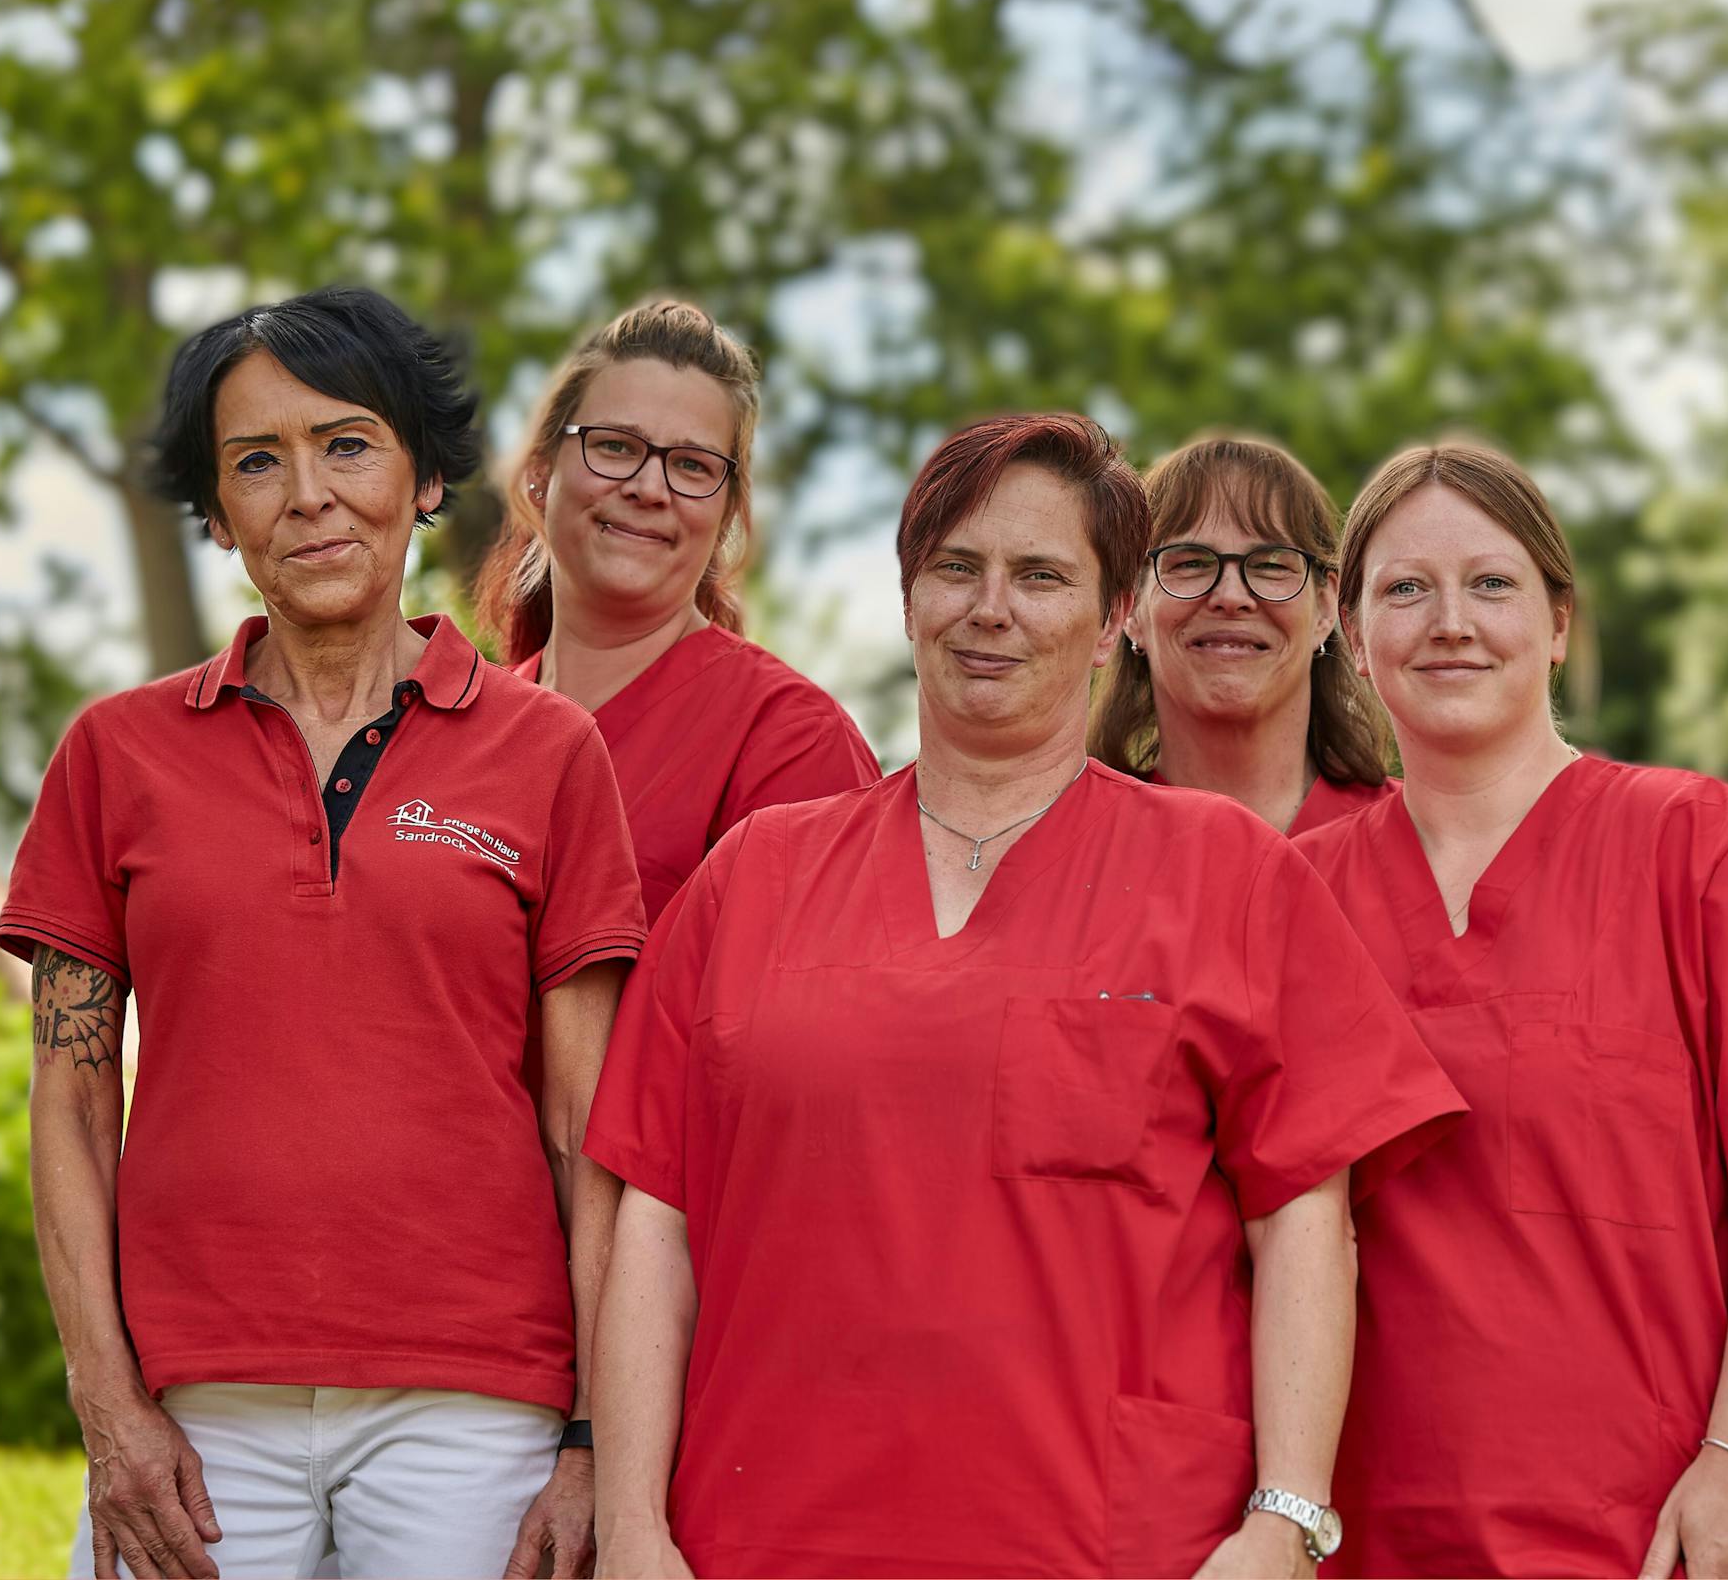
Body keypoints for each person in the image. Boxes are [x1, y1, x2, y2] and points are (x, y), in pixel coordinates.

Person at [584, 410, 1466, 1579]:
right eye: (957, 568)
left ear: (1113, 623)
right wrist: (637, 1527)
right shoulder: (755, 873)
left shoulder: (1225, 873)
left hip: (1113, 1544)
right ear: (909, 603)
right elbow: (657, 1217)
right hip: (763, 1538)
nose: (990, 608)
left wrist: (1284, 1521)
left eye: (1041, 576)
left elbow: (1305, 1213)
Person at [2, 285, 652, 1580]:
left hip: (474, 1407)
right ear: (216, 512)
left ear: (423, 478)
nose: (307, 493)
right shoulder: (114, 756)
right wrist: (109, 1408)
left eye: (347, 443)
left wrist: (591, 1439)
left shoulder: (550, 755)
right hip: (192, 1412)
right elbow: (72, 1104)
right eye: (258, 460)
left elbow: (591, 1131)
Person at [1300, 440, 1728, 1578]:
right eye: (1406, 588)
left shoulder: (1695, 844)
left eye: (1491, 584)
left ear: (1558, 626)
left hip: (1661, 1531)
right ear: (1353, 638)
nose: (1451, 620)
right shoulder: (1298, 896)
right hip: (1373, 1539)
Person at [481, 296, 879, 920]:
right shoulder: (464, 727)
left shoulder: (792, 742)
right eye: (614, 447)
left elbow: (812, 1007)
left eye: (692, 465)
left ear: (725, 518)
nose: (647, 488)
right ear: (539, 472)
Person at [1090, 432, 1396, 836]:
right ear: (1130, 609)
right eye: (1191, 563)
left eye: (1270, 565)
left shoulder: (1421, 838)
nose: (1231, 597)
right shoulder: (1072, 840)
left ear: (1325, 608)